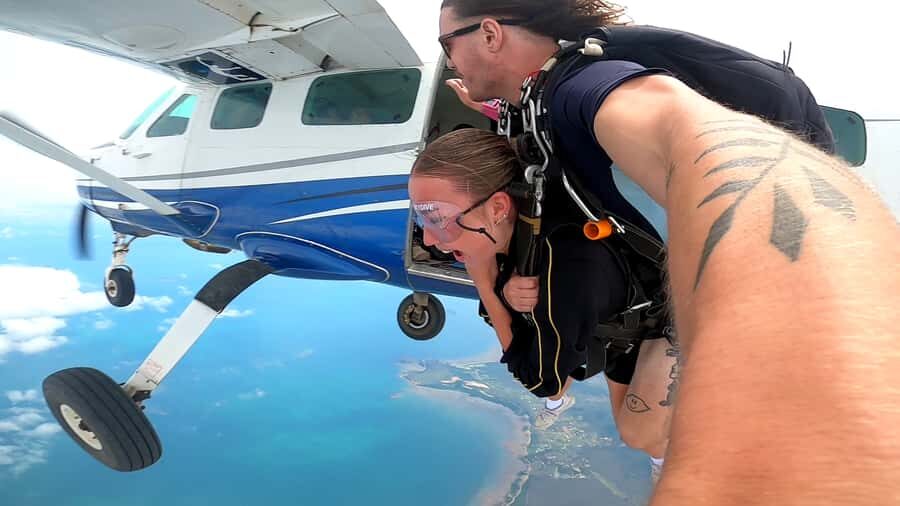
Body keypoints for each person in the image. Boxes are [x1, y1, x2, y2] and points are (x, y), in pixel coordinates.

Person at [436, 0, 900, 503]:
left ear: (489, 35)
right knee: (633, 424)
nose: (448, 61)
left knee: (638, 430)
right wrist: (491, 105)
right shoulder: (540, 97)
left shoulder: (583, 90)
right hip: (645, 279)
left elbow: (688, 131)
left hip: (672, 290)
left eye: (447, 44)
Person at [409, 128, 676, 481]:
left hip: (674, 314)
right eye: (421, 217)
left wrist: (486, 284)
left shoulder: (561, 264)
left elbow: (543, 383)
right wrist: (503, 289)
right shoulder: (519, 227)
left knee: (638, 432)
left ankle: (674, 458)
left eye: (438, 218)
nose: (429, 239)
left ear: (498, 207)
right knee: (624, 415)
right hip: (625, 320)